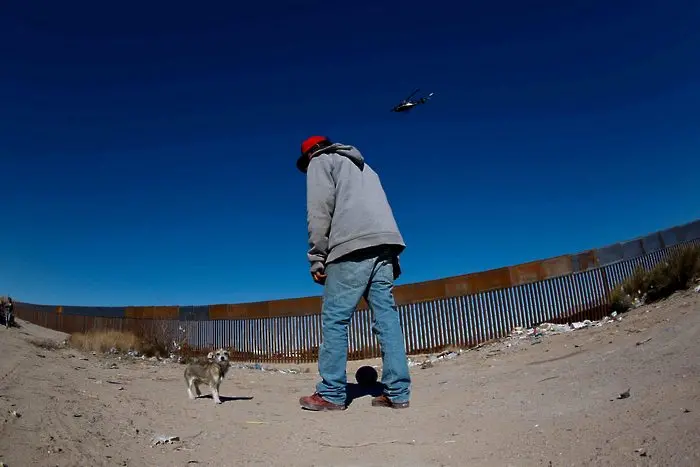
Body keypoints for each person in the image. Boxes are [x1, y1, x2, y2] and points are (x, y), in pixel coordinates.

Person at [296, 136, 412, 411]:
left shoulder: (321, 161)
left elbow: (319, 211)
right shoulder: (367, 169)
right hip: (386, 244)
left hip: (351, 245)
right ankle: (398, 392)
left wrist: (317, 258)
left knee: (335, 319)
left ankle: (332, 393)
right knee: (386, 320)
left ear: (311, 153)